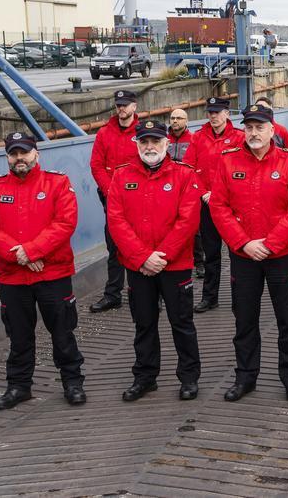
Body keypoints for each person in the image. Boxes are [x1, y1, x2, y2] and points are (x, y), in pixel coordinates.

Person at [210, 105, 288, 403]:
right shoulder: (228, 162)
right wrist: (243, 243)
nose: (254, 132)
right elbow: (219, 207)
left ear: (272, 130)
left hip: (281, 255)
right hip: (244, 257)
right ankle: (245, 377)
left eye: (260, 127)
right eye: (249, 127)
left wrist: (271, 243)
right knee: (244, 320)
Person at [0, 132, 84, 410]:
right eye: (14, 153)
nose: (19, 158)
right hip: (13, 276)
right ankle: (19, 386)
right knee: (19, 336)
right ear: (7, 157)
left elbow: (65, 222)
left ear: (37, 153)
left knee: (62, 332)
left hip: (52, 273)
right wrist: (20, 255)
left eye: (24, 152)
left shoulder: (57, 183)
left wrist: (33, 251)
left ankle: (72, 383)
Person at [106, 120, 203, 402]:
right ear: (136, 145)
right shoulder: (122, 176)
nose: (150, 147)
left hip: (174, 264)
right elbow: (116, 220)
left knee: (182, 323)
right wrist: (141, 257)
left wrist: (161, 256)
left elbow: (188, 220)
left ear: (166, 144)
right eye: (144, 142)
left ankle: (189, 378)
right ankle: (145, 377)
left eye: (155, 142)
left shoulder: (184, 175)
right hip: (139, 266)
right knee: (144, 323)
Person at [186, 96, 245, 313]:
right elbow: (189, 168)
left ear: (227, 113)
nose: (213, 116)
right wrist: (203, 193)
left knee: (237, 253)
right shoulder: (198, 137)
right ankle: (209, 297)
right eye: (210, 112)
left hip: (231, 205)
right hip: (207, 204)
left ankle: (240, 297)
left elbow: (242, 170)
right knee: (211, 254)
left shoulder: (239, 137)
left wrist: (218, 193)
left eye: (217, 112)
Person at [88, 89, 140, 312]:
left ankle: (145, 293)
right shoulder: (104, 133)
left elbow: (148, 162)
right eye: (119, 104)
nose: (121, 108)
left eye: (126, 104)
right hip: (112, 199)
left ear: (134, 107)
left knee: (141, 244)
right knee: (114, 246)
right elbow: (96, 165)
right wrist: (111, 192)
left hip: (138, 198)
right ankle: (113, 294)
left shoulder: (143, 132)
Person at [167, 108, 205, 279]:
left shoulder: (193, 139)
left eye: (179, 118)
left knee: (193, 228)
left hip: (187, 187)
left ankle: (199, 262)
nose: (175, 121)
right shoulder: (162, 139)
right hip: (167, 189)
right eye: (173, 118)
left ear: (186, 121)